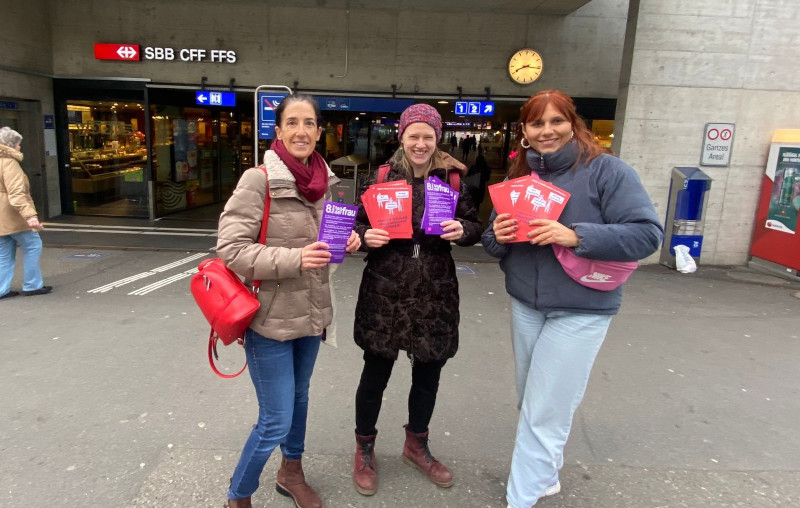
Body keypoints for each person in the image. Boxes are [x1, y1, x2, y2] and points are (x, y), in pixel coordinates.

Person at [481, 90, 663, 508]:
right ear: (524, 131)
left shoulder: (607, 172)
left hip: (583, 306)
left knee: (544, 407)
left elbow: (647, 235)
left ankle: (520, 497)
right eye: (536, 123)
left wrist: (577, 235)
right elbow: (492, 242)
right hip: (526, 304)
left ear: (572, 123)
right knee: (534, 396)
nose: (546, 131)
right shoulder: (517, 177)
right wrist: (499, 236)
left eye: (556, 121)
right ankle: (545, 477)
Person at [216, 95, 361, 508]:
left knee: (300, 398)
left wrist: (345, 242)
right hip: (268, 318)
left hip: (313, 314)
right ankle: (238, 495)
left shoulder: (326, 182)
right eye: (292, 123)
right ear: (278, 131)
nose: (301, 131)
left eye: (309, 123)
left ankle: (290, 472)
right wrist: (296, 258)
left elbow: (326, 243)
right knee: (275, 419)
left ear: (319, 132)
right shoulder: (257, 180)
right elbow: (231, 249)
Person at [349, 104, 482, 496]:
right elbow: (355, 222)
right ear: (402, 137)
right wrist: (364, 237)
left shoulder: (453, 180)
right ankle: (364, 448)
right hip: (385, 287)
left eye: (428, 136)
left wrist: (463, 230)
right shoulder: (383, 177)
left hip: (435, 288)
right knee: (375, 372)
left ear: (436, 138)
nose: (420, 143)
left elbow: (476, 224)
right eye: (413, 136)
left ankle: (416, 445)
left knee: (429, 372)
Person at [0, 126, 52, 299]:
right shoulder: (9, 163)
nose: (20, 147)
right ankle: (32, 285)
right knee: (32, 246)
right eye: (18, 144)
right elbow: (16, 194)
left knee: (4, 253)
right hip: (13, 216)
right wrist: (30, 216)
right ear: (11, 145)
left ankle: (2, 289)